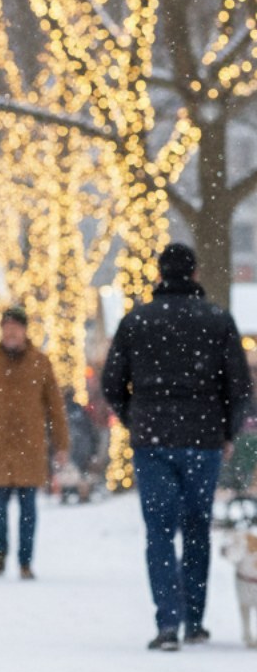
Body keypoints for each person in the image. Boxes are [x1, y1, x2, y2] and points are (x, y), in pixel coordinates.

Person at [101, 242, 252, 650]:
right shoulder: (218, 321)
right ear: (195, 274)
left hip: (153, 438)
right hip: (203, 438)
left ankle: (167, 622)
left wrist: (135, 416)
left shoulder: (136, 321)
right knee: (196, 529)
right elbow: (240, 387)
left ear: (160, 275)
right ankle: (194, 620)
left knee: (159, 531)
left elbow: (111, 382)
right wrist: (227, 431)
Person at [0, 305, 69, 579]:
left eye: (15, 328)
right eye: (6, 328)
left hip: (30, 447)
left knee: (29, 509)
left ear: (24, 331)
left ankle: (25, 561)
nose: (10, 333)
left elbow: (55, 407)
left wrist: (61, 444)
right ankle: (2, 549)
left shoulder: (41, 363)